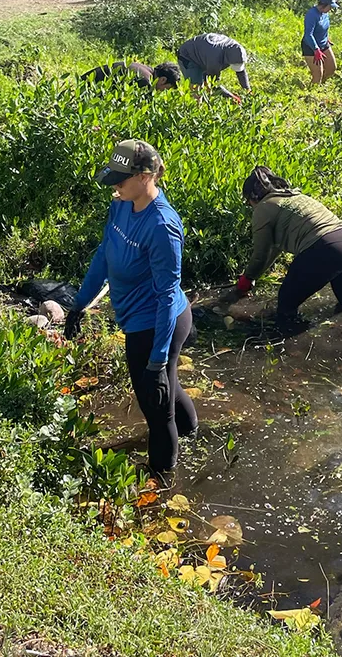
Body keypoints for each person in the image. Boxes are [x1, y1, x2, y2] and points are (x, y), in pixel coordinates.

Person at [68, 140, 197, 475]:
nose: (115, 185)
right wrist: (78, 305)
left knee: (157, 411)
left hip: (158, 323)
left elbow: (168, 295)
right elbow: (104, 256)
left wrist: (156, 361)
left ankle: (162, 484)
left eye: (121, 179)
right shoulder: (121, 204)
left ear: (145, 177)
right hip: (139, 319)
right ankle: (191, 429)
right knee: (166, 390)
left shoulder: (162, 226)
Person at [233, 166, 342, 336]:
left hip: (324, 248)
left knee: (286, 305)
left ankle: (295, 349)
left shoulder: (263, 209)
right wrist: (252, 276)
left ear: (253, 197)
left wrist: (247, 279)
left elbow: (260, 255)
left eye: (247, 202)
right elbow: (274, 249)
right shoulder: (296, 197)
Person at [175, 33, 250, 101]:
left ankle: (205, 102)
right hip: (188, 56)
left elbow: (241, 72)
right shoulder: (214, 60)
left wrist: (248, 90)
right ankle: (196, 113)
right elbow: (213, 84)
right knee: (196, 92)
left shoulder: (236, 48)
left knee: (206, 89)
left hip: (204, 55)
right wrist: (232, 97)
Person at [301, 0, 338, 84]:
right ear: (323, 5)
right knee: (318, 74)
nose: (331, 9)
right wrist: (316, 49)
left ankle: (321, 85)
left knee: (331, 68)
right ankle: (312, 91)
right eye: (330, 6)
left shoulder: (325, 13)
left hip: (323, 43)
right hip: (311, 46)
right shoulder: (312, 14)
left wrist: (326, 38)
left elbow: (324, 27)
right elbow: (308, 34)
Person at [82, 59, 181, 92]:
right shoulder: (145, 81)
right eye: (166, 88)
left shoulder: (145, 69)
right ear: (163, 80)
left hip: (84, 84)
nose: (162, 91)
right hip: (87, 90)